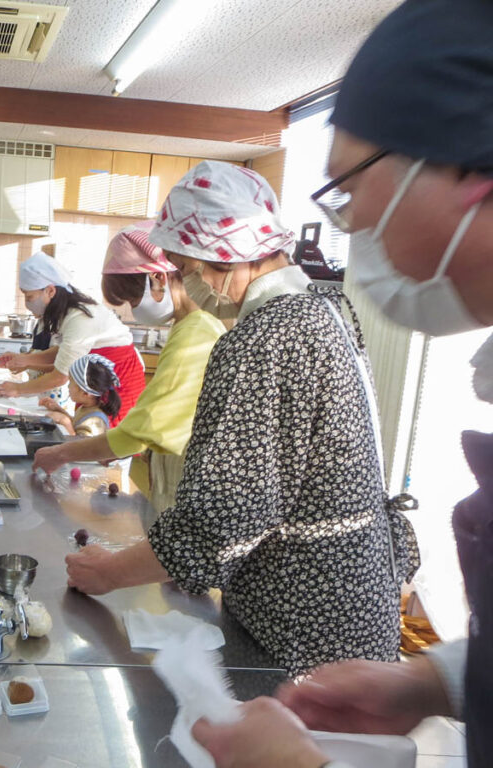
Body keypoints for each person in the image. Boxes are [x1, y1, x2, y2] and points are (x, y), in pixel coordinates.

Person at [191, 0, 493, 765]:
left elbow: (233, 508)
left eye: (350, 185)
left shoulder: (278, 326)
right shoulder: (320, 311)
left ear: (470, 165)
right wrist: (436, 685)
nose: (348, 223)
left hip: (313, 604)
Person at [66, 161, 420, 678]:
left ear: (225, 258)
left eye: (188, 267)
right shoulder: (326, 310)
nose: (189, 281)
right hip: (358, 603)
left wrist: (110, 571)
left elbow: (224, 515)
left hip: (301, 626)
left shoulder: (261, 339)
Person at [33, 222, 226, 510]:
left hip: (189, 480)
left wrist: (62, 453)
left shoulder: (194, 333)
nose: (135, 309)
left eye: (134, 299)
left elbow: (142, 431)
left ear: (159, 278)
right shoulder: (191, 325)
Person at [0, 252, 145, 426]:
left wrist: (17, 389)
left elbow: (60, 376)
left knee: (105, 442)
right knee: (83, 431)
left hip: (118, 384)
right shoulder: (69, 314)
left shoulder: (80, 318)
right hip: (92, 386)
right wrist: (25, 359)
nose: (28, 304)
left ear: (50, 291)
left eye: (29, 297)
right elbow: (64, 351)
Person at [40, 353, 122, 437]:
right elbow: (77, 425)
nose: (68, 386)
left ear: (85, 393)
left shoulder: (94, 421)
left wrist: (65, 421)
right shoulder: (86, 408)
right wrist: (59, 410)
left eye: (71, 382)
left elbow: (81, 446)